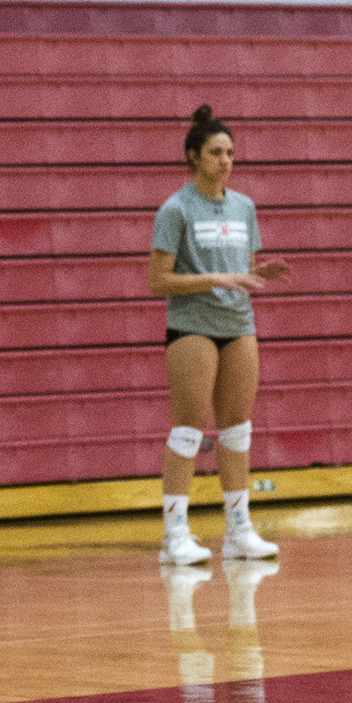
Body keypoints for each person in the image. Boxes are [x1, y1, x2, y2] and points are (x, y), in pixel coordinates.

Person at [146, 106, 289, 565]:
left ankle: (238, 529)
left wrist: (254, 272)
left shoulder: (244, 206)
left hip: (237, 325)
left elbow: (240, 270)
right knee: (189, 431)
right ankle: (175, 535)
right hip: (192, 327)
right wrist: (216, 279)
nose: (225, 160)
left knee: (237, 431)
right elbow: (158, 281)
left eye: (230, 152)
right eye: (215, 152)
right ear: (193, 156)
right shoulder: (175, 209)